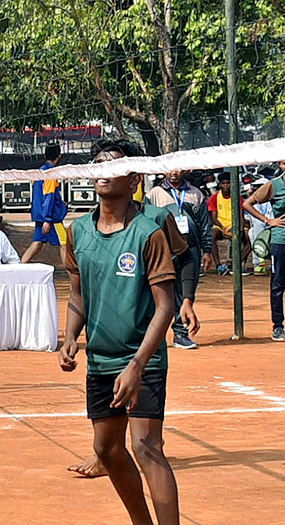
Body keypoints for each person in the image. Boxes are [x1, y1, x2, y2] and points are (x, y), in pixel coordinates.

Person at [59, 138, 180, 525]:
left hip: (141, 359)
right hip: (100, 359)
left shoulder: (149, 231)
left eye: (113, 164)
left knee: (146, 447)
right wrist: (69, 338)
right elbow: (78, 294)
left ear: (134, 180)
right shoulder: (78, 231)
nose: (102, 169)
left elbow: (166, 306)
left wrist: (138, 365)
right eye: (97, 163)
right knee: (107, 449)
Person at [147, 170, 210, 351]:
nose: (174, 173)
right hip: (164, 249)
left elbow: (204, 224)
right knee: (163, 291)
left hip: (190, 249)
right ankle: (156, 336)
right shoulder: (154, 194)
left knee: (186, 292)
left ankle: (181, 334)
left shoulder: (196, 194)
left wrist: (207, 250)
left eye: (178, 168)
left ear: (185, 170)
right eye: (170, 169)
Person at [239, 161, 285, 341]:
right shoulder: (275, 185)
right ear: (282, 165)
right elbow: (247, 203)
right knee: (279, 284)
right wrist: (268, 220)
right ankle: (278, 326)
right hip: (281, 240)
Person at [22, 143, 68, 266]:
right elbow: (48, 197)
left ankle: (19, 267)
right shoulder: (50, 174)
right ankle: (71, 275)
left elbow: (40, 196)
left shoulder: (39, 172)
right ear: (59, 156)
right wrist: (47, 219)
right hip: (51, 217)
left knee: (37, 242)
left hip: (39, 215)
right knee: (64, 243)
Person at [207, 171, 247, 273]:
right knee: (212, 235)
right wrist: (223, 228)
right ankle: (218, 265)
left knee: (250, 237)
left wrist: (240, 229)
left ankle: (236, 263)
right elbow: (214, 217)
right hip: (220, 226)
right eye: (223, 183)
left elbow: (241, 216)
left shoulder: (238, 197)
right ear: (220, 184)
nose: (226, 185)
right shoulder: (214, 198)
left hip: (235, 225)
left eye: (228, 183)